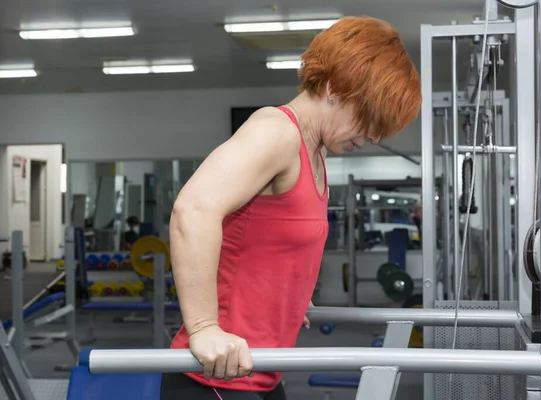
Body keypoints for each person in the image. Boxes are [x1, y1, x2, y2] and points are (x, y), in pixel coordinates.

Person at [161, 15, 422, 400]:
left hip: (263, 371)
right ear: (334, 87)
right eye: (369, 119)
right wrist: (203, 328)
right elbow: (193, 211)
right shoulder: (276, 131)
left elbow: (262, 238)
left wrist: (285, 292)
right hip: (216, 380)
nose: (371, 136)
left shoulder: (314, 153)